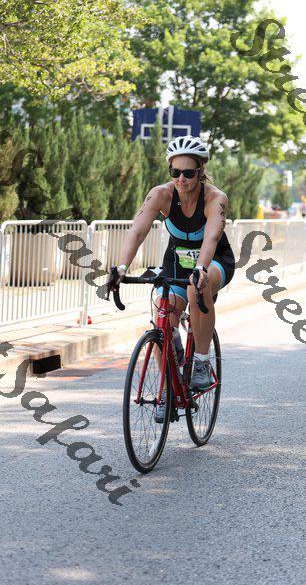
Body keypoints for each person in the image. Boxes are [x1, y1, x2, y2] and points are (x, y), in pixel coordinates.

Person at [108, 135, 235, 419]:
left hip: (214, 259)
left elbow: (211, 238)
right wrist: (121, 268)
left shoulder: (215, 198)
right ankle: (167, 388)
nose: (181, 179)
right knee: (162, 309)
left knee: (195, 289)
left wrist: (201, 269)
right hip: (177, 260)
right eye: (175, 172)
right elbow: (137, 231)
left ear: (200, 171)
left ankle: (201, 361)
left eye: (188, 173)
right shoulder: (161, 194)